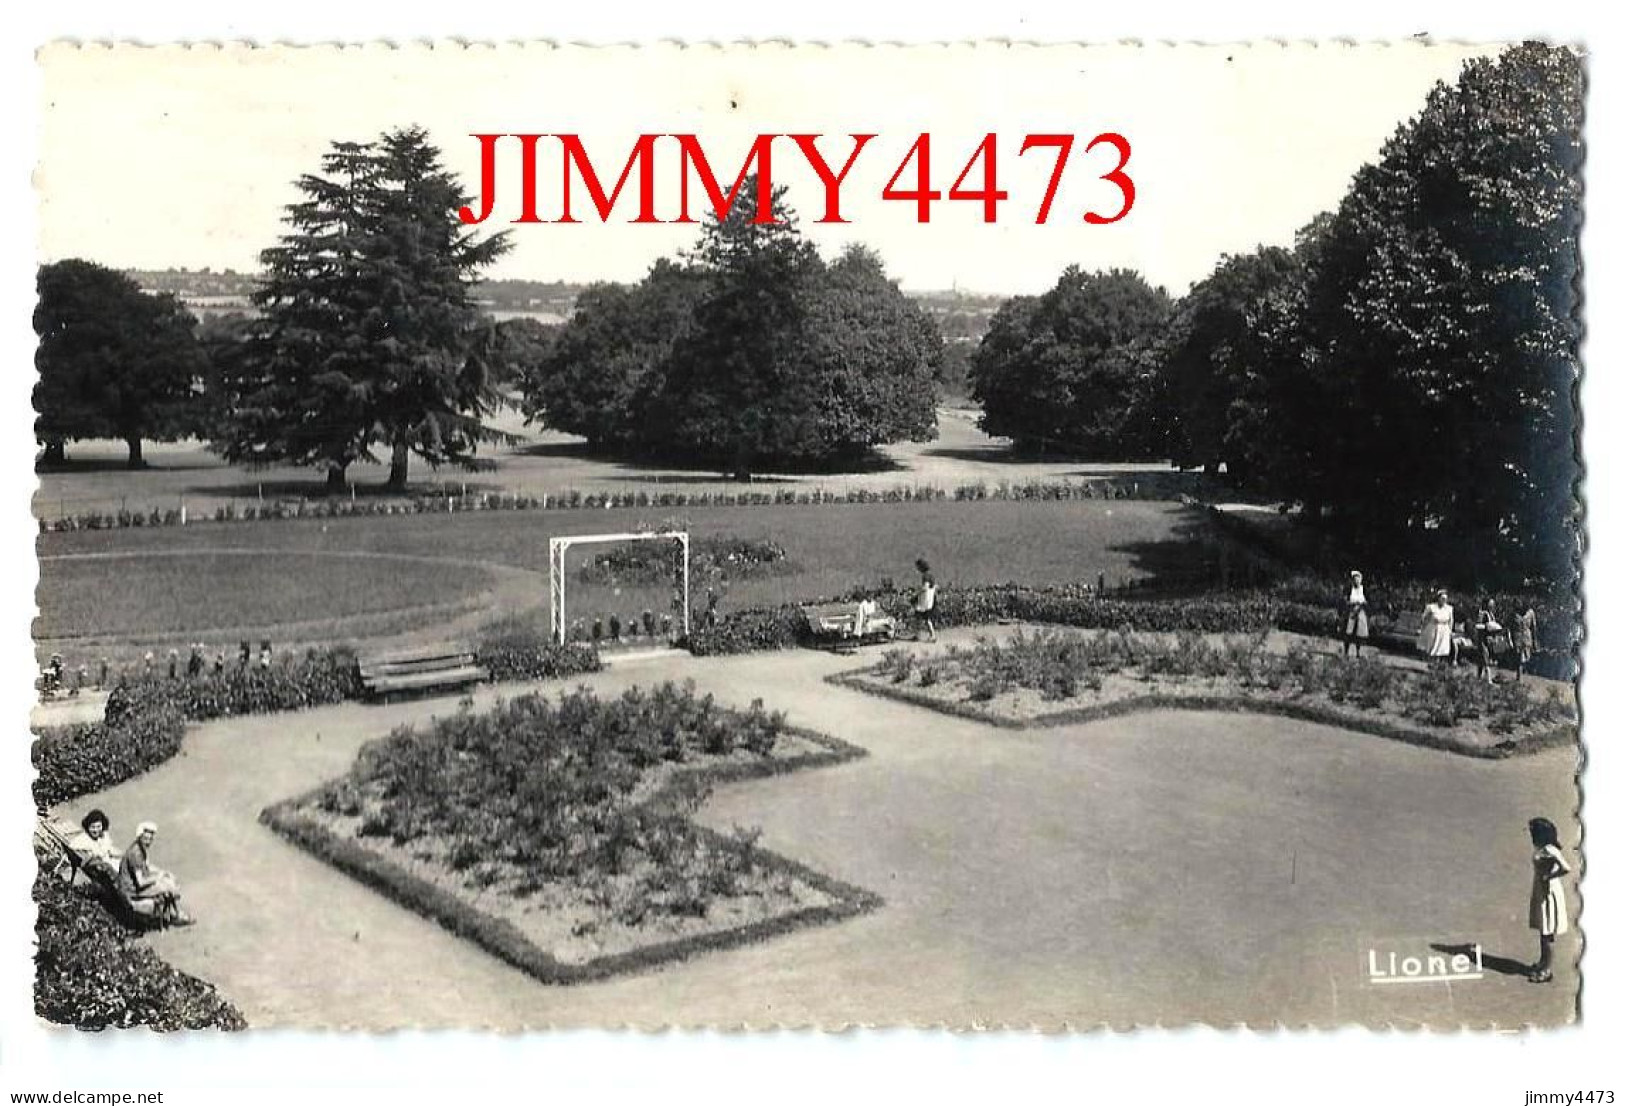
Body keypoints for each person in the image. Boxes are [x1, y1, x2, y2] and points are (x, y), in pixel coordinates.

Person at [118, 822, 193, 927]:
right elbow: (141, 882)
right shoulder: (135, 854)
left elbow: (147, 867)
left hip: (132, 887)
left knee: (168, 881)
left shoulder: (139, 848)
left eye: (150, 839)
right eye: (146, 838)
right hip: (131, 891)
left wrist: (163, 873)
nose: (148, 841)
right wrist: (158, 878)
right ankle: (177, 915)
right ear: (140, 837)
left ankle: (175, 913)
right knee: (168, 886)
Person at [1527, 817, 1572, 983]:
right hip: (1541, 891)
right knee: (1543, 930)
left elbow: (1566, 868)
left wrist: (1549, 876)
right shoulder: (1543, 848)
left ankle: (1546, 970)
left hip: (1548, 893)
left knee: (1548, 934)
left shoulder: (1550, 850)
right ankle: (1542, 962)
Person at [66, 809, 121, 882]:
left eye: (98, 826)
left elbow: (110, 849)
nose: (96, 830)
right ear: (87, 827)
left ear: (103, 826)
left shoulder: (104, 835)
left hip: (107, 862)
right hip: (103, 868)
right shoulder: (84, 839)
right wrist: (92, 855)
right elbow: (72, 847)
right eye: (92, 827)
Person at [1417, 589, 1454, 670]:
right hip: (1433, 628)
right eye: (1442, 598)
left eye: (1445, 599)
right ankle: (1431, 663)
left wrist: (1450, 630)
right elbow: (1424, 618)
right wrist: (1421, 628)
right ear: (1438, 598)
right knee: (1432, 646)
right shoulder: (1431, 607)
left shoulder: (1449, 608)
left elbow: (1451, 620)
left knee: (1441, 648)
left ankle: (1437, 665)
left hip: (1444, 629)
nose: (1444, 600)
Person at [1474, 599, 1504, 682]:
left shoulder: (1492, 615)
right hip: (1483, 639)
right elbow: (1478, 626)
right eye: (1490, 604)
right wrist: (1487, 626)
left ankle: (1478, 677)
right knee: (1485, 658)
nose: (1492, 606)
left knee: (1482, 659)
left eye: (1493, 604)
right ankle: (1488, 679)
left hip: (1490, 640)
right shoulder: (1483, 614)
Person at [1342, 570, 1370, 658]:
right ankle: (1346, 651)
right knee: (1348, 631)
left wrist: (1363, 603)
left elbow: (1368, 601)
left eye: (1358, 579)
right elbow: (1345, 600)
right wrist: (1351, 603)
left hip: (1360, 611)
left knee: (1360, 632)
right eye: (1355, 579)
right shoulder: (1349, 589)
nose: (1356, 581)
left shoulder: (1363, 589)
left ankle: (1358, 652)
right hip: (1351, 611)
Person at [913, 558, 937, 643]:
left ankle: (930, 635)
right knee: (925, 618)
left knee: (921, 618)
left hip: (924, 601)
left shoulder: (925, 576)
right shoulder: (931, 576)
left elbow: (925, 587)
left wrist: (916, 593)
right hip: (929, 601)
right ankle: (928, 635)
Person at [1513, 605, 1539, 681]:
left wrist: (1535, 641)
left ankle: (1520, 676)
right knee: (1519, 658)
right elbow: (1510, 626)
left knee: (1523, 658)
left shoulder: (1531, 613)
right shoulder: (1515, 613)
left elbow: (1534, 628)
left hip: (1527, 638)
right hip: (1517, 637)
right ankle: (1519, 677)